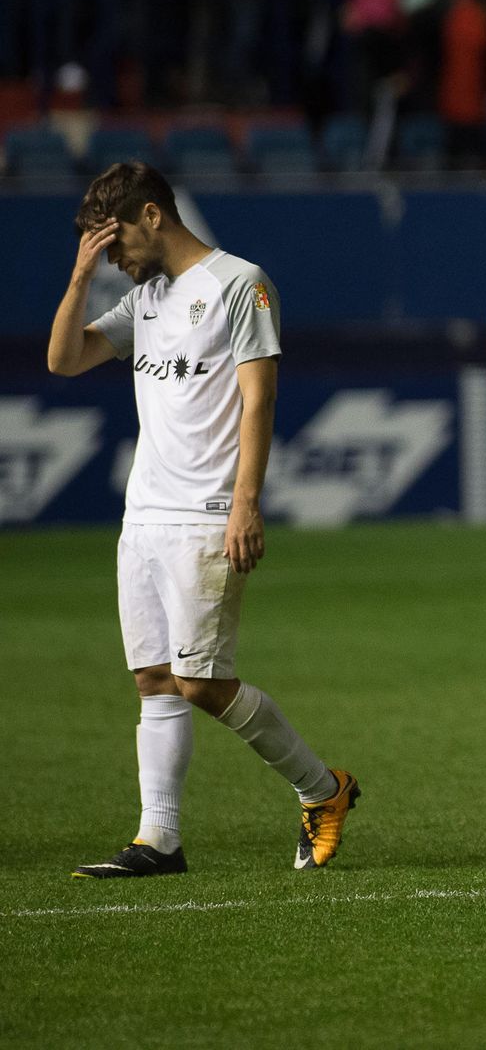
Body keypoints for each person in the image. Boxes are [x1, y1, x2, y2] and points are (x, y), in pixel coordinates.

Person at [48, 162, 358, 878]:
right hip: (145, 514)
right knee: (155, 678)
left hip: (206, 513)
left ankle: (323, 788)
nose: (114, 258)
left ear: (153, 215)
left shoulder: (238, 285)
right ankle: (158, 840)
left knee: (201, 682)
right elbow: (64, 359)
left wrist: (246, 501)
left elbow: (259, 399)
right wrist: (78, 276)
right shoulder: (146, 296)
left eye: (116, 238)